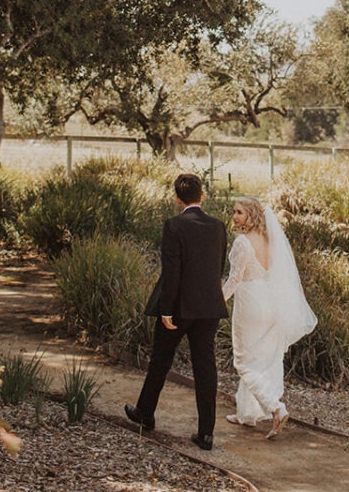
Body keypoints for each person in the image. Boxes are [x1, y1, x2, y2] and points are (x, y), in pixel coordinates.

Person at [125, 172, 227, 451]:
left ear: (177, 199)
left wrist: (166, 310)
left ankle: (145, 412)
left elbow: (172, 273)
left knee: (161, 360)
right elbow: (219, 268)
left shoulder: (174, 225)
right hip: (209, 308)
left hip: (180, 307)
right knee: (206, 368)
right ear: (202, 196)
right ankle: (206, 434)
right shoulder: (218, 226)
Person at [222, 195, 317, 439]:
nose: (235, 216)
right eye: (234, 211)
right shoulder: (270, 240)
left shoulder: (242, 243)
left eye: (240, 212)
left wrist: (215, 302)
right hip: (271, 303)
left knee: (244, 361)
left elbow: (234, 280)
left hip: (250, 303)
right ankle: (247, 414)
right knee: (261, 359)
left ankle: (275, 407)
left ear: (251, 216)